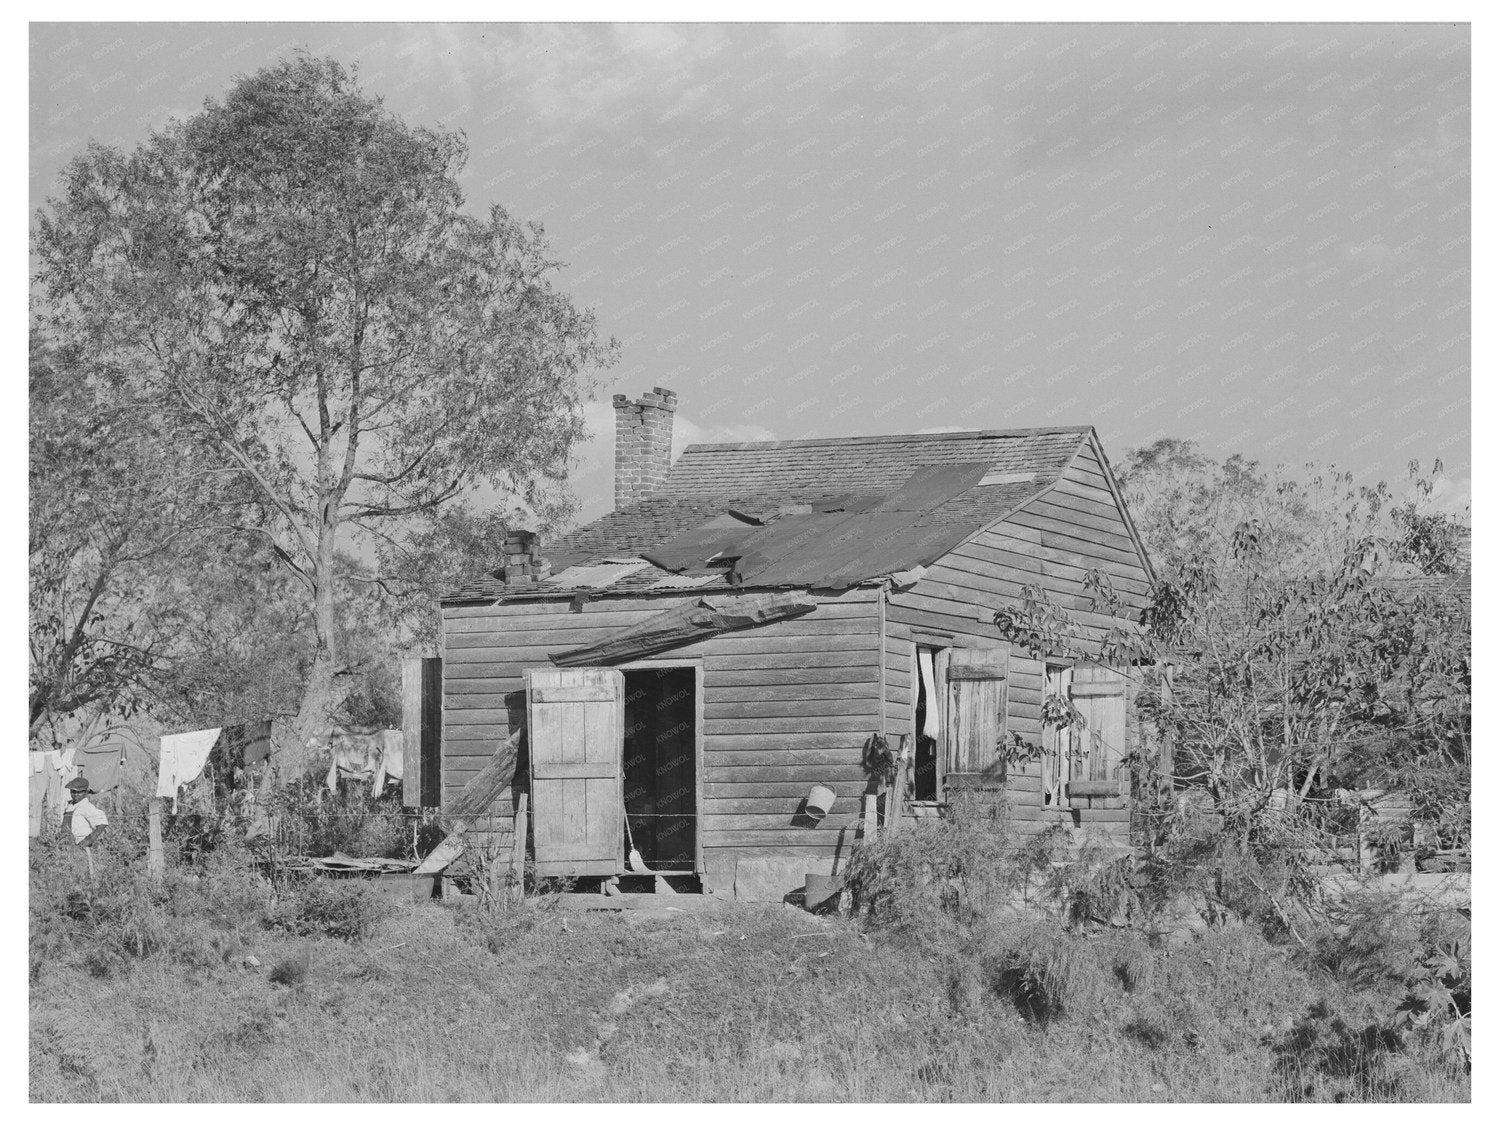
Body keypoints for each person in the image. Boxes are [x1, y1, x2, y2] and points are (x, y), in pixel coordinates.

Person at [65, 776, 109, 847]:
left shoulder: (86, 806)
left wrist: (89, 839)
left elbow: (102, 821)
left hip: (80, 845)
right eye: (73, 791)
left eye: (79, 792)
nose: (76, 794)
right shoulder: (70, 804)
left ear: (86, 792)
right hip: (67, 845)